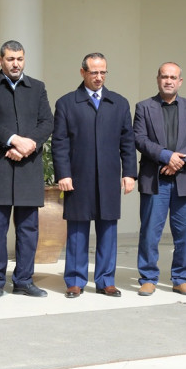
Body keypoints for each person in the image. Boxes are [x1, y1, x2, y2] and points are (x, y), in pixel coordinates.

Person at [52, 52, 137, 298]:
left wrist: (129, 173)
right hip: (78, 177)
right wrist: (63, 174)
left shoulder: (119, 103)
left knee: (108, 229)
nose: (99, 77)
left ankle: (105, 280)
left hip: (109, 177)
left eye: (103, 72)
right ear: (83, 72)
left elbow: (127, 142)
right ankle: (75, 281)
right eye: (94, 72)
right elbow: (60, 143)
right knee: (77, 231)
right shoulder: (67, 103)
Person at [0, 40, 53, 300]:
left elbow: (47, 122)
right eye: (10, 59)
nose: (15, 64)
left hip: (28, 167)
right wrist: (13, 140)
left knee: (28, 229)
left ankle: (23, 280)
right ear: (1, 60)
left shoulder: (37, 87)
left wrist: (26, 146)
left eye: (19, 59)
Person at [134, 62, 186, 297]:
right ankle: (148, 278)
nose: (168, 81)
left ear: (180, 82)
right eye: (164, 76)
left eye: (173, 77)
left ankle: (181, 278)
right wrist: (167, 156)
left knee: (184, 233)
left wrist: (179, 161)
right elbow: (140, 139)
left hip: (183, 179)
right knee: (150, 232)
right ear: (158, 79)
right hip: (155, 180)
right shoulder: (144, 107)